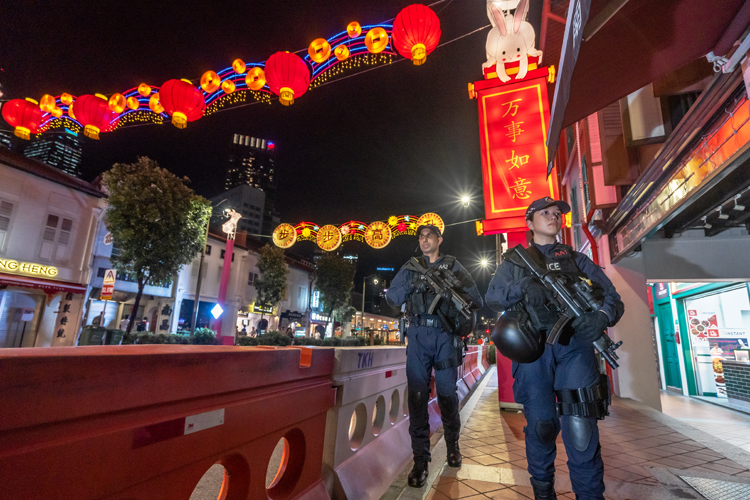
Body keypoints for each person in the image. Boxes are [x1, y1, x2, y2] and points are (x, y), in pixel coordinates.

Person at [485, 197, 624, 500]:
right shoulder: (514, 261)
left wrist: (600, 317)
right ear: (529, 222)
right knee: (542, 425)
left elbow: (611, 296)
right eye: (545, 213)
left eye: (557, 214)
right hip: (534, 349)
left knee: (580, 426)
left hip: (575, 346)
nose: (553, 217)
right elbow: (493, 297)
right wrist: (521, 287)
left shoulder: (576, 259)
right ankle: (543, 493)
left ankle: (589, 495)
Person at [386, 224, 482, 488]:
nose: (424, 239)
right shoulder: (411, 266)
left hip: (444, 337)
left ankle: (453, 445)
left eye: (429, 235)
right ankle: (421, 461)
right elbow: (392, 297)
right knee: (417, 397)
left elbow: (476, 299)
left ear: (440, 239)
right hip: (417, 336)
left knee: (448, 394)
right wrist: (413, 283)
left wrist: (452, 295)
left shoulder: (453, 266)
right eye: (421, 236)